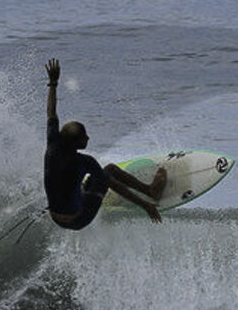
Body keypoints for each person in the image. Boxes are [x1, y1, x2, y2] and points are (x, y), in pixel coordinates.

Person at [43, 58, 166, 230]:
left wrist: (53, 83)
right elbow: (111, 183)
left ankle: (87, 194)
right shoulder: (84, 162)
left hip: (55, 218)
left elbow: (51, 112)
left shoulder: (53, 144)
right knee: (110, 171)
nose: (88, 138)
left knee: (88, 179)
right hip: (78, 219)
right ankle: (150, 191)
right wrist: (145, 206)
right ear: (75, 143)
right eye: (84, 137)